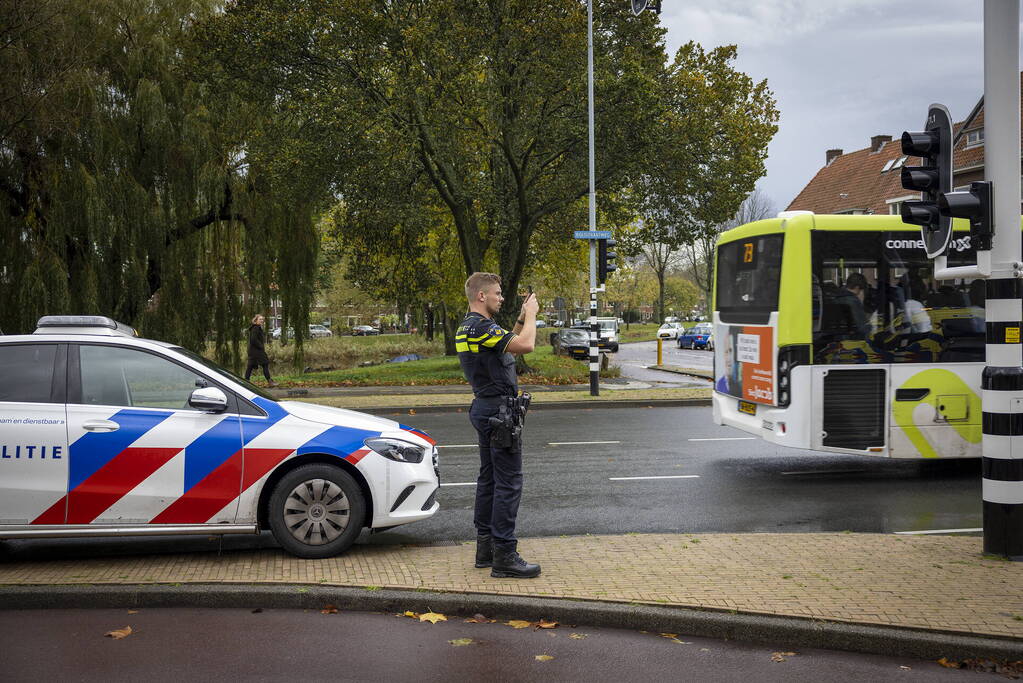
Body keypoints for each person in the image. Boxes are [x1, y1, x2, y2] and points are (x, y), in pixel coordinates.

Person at [457, 272, 540, 579]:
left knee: (489, 479)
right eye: (497, 294)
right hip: (498, 411)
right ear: (482, 296)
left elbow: (509, 342)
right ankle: (505, 555)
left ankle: (485, 549)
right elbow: (526, 345)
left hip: (484, 407)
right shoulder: (481, 327)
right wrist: (531, 316)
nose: (501, 298)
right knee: (509, 483)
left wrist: (520, 319)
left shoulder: (470, 327)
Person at [245, 314, 277, 387]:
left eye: (262, 319)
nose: (262, 321)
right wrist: (261, 346)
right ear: (256, 320)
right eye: (260, 319)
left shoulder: (257, 328)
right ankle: (270, 382)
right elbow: (253, 339)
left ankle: (246, 381)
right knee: (265, 363)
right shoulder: (256, 328)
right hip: (256, 351)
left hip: (253, 351)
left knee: (250, 366)